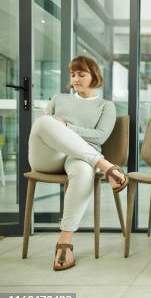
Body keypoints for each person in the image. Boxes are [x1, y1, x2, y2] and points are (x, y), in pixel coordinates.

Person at [29, 55, 128, 271]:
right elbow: (46, 129)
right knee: (44, 121)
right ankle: (105, 166)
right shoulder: (58, 98)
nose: (76, 79)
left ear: (94, 77)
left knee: (84, 172)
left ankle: (64, 242)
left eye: (81, 74)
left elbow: (100, 136)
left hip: (80, 158)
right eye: (73, 74)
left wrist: (67, 126)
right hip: (48, 156)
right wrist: (58, 126)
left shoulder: (105, 106)